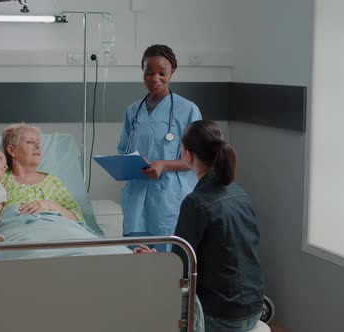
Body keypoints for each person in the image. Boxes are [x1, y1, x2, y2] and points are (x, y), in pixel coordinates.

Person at [139, 120, 264, 332]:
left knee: (149, 305)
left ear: (188, 155)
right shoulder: (240, 194)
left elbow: (178, 270)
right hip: (254, 308)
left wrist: (153, 260)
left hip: (221, 318)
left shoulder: (196, 203)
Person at [117, 44, 202, 251]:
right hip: (137, 198)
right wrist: (124, 164)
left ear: (172, 71)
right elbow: (123, 151)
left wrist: (163, 164)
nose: (155, 78)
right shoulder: (133, 111)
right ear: (143, 73)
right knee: (137, 258)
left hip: (168, 199)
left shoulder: (188, 110)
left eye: (162, 73)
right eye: (149, 72)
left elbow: (198, 159)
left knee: (168, 262)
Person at [1, 123, 84, 222]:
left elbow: (78, 219)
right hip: (18, 232)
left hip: (59, 232)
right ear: (12, 150)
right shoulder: (1, 181)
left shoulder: (53, 182)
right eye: (30, 142)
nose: (37, 146)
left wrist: (49, 205)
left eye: (38, 142)